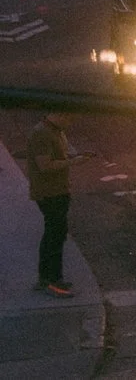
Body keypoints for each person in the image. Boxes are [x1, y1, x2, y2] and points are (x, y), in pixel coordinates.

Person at [26, 112, 71, 296]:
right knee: (54, 235)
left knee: (57, 233)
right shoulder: (42, 133)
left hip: (58, 190)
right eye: (68, 117)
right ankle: (50, 281)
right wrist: (72, 162)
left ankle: (54, 278)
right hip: (49, 192)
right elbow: (45, 165)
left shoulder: (55, 131)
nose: (71, 121)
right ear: (57, 114)